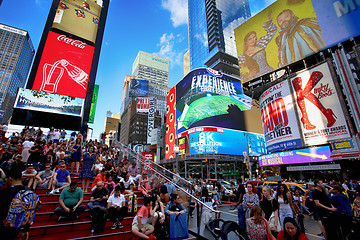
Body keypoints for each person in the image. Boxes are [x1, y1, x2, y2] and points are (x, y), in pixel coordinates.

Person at [238, 11, 277, 82]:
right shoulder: (242, 57)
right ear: (246, 42)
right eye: (250, 39)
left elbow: (272, 31)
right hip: (257, 80)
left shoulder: (261, 43)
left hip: (271, 73)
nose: (253, 40)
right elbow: (235, 71)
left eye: (254, 37)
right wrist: (248, 75)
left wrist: (267, 24)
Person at [0, 165, 27, 239]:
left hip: (5, 226)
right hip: (18, 227)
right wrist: (26, 229)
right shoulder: (29, 192)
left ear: (10, 178)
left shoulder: (5, 193)